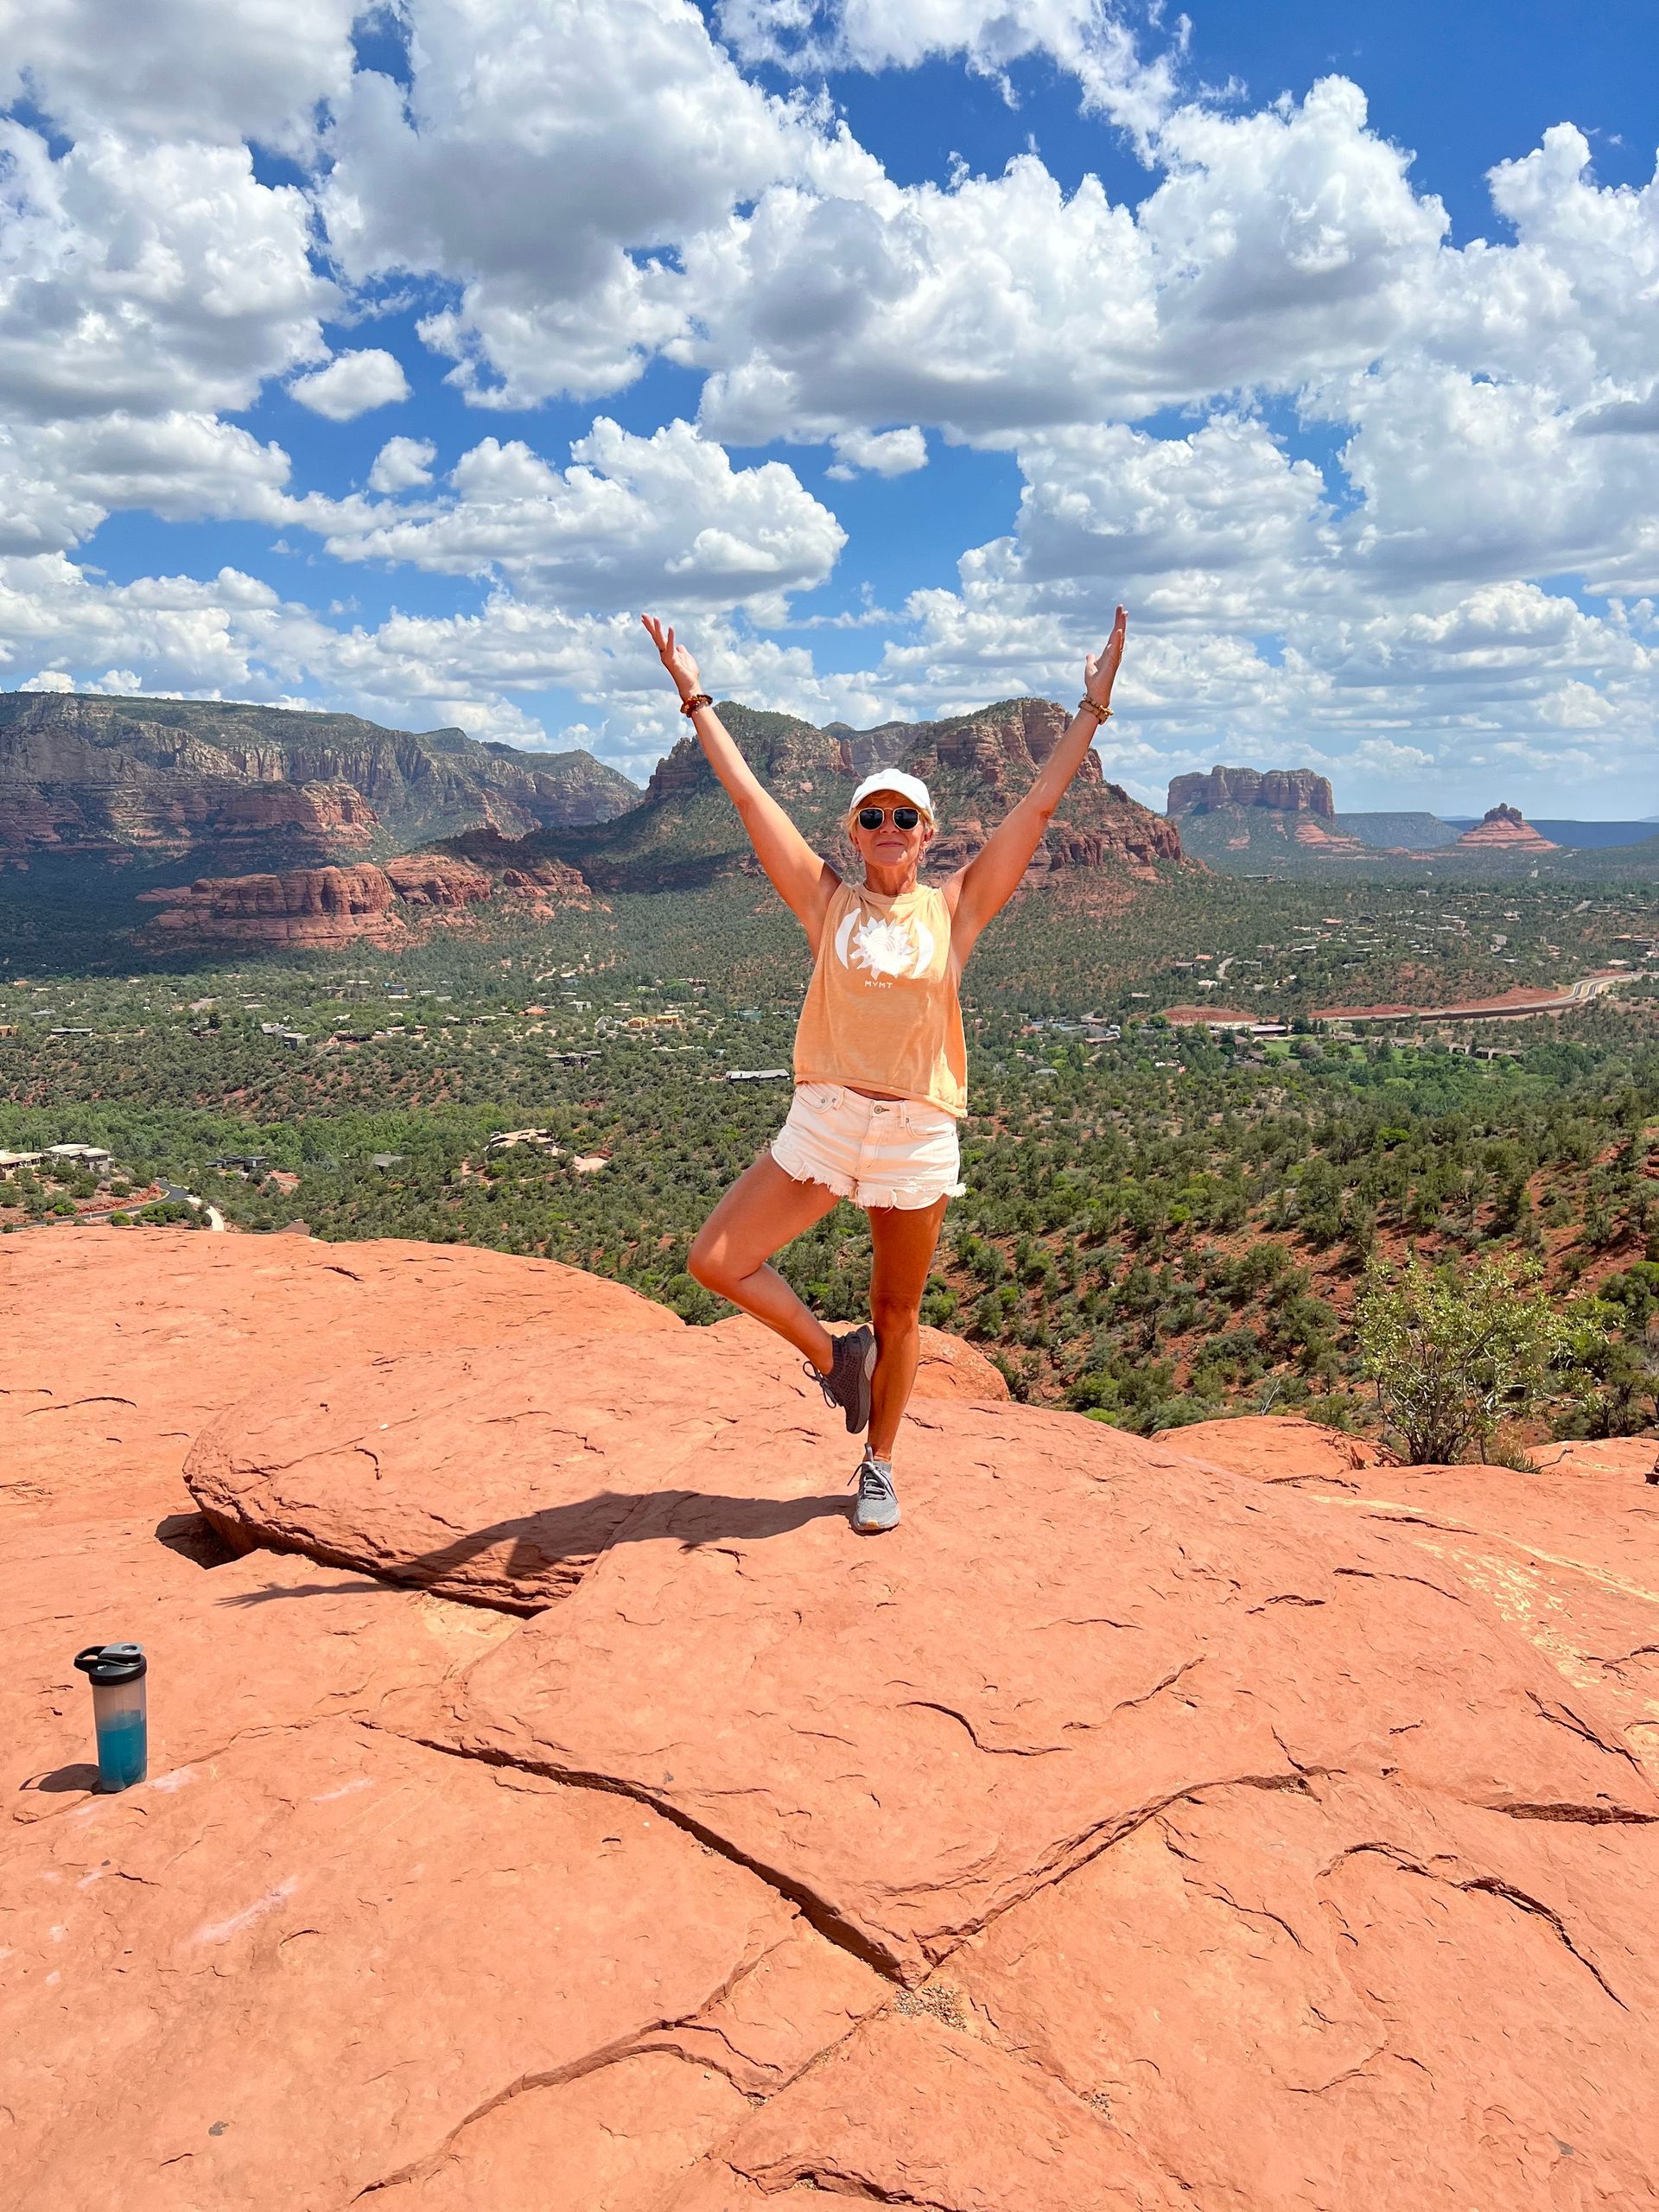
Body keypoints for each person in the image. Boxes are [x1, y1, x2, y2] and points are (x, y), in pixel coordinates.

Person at [641, 607, 1128, 1532]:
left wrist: (1091, 709)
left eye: (906, 816)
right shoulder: (826, 903)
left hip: (913, 1132)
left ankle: (880, 1466)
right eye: (874, 817)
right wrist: (692, 694)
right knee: (717, 1259)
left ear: (929, 833)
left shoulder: (955, 912)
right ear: (854, 834)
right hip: (824, 1120)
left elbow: (1038, 806)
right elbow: (750, 800)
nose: (890, 826)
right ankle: (834, 1359)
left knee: (899, 1309)